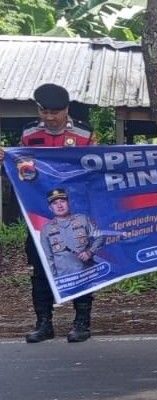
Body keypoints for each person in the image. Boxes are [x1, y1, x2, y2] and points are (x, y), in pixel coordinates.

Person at [0, 84, 98, 343]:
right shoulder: (29, 133)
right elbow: (22, 170)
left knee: (80, 263)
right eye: (45, 112)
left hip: (76, 213)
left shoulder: (84, 134)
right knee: (41, 267)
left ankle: (81, 322)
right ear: (39, 110)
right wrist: (6, 161)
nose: (50, 117)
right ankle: (44, 323)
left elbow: (97, 169)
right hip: (41, 216)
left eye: (56, 112)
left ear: (67, 110)